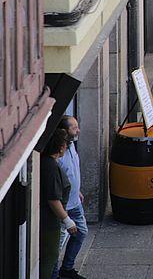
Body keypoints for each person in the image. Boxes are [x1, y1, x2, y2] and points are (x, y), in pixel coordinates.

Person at [53, 117, 87, 279]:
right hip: (63, 206)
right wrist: (65, 218)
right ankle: (54, 275)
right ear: (64, 132)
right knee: (57, 244)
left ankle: (67, 268)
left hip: (75, 202)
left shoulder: (72, 146)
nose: (78, 130)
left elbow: (73, 172)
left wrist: (77, 190)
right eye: (74, 128)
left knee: (81, 233)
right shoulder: (58, 155)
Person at [40, 130, 73, 279]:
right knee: (50, 257)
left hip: (48, 221)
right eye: (65, 144)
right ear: (60, 147)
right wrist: (67, 220)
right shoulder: (51, 166)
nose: (66, 147)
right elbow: (53, 199)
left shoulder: (47, 162)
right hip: (49, 222)